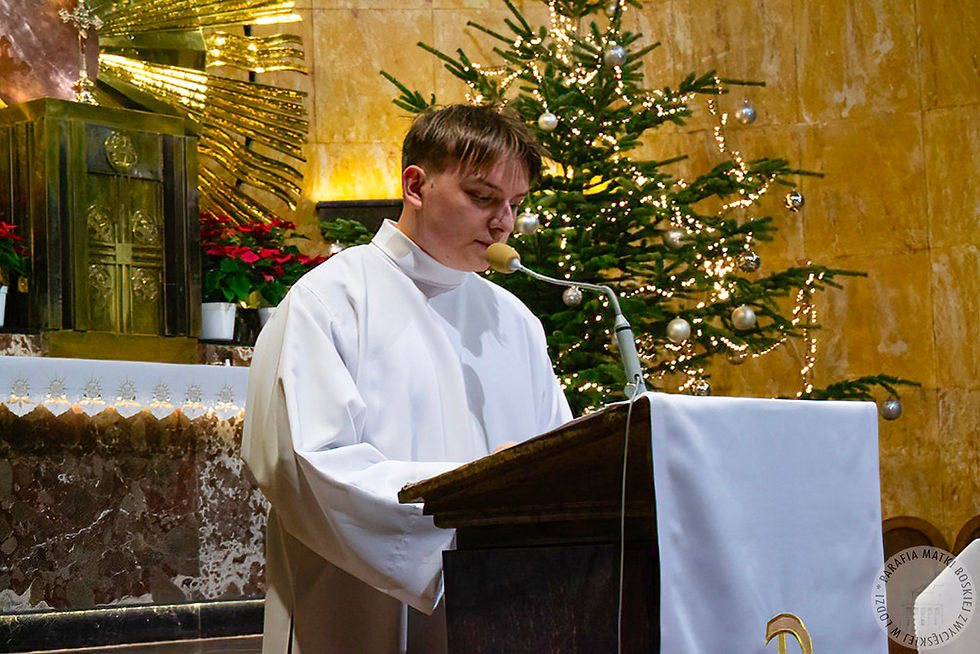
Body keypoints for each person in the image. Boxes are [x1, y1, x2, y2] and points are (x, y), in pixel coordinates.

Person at [242, 104, 573, 653]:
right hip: (355, 609)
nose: (504, 224)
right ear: (415, 185)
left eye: (515, 204)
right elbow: (307, 465)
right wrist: (475, 499)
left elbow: (555, 458)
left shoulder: (514, 321)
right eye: (483, 197)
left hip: (502, 604)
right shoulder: (330, 300)